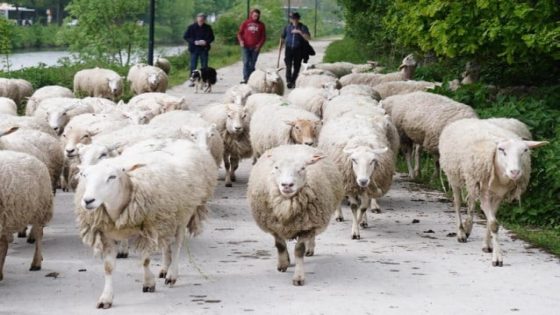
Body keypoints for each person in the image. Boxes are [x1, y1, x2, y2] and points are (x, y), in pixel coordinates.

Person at [183, 13, 215, 87]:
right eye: (199, 19)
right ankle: (192, 81)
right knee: (193, 66)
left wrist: (206, 42)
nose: (201, 20)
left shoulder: (208, 27)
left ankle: (204, 80)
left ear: (204, 20)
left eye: (202, 19)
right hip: (194, 49)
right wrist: (194, 41)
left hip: (204, 49)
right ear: (197, 19)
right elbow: (186, 36)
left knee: (204, 66)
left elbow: (212, 37)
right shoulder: (191, 27)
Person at [280, 12, 310, 89]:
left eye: (295, 18)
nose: (293, 20)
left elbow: (308, 38)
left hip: (299, 49)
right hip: (289, 48)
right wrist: (280, 46)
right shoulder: (287, 27)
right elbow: (282, 37)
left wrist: (300, 32)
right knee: (288, 65)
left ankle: (293, 81)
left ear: (298, 19)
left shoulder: (303, 27)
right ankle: (289, 81)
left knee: (297, 66)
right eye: (292, 18)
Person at [237, 8, 266, 84]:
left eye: (257, 15)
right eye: (254, 15)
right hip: (245, 46)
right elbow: (239, 33)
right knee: (246, 62)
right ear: (251, 15)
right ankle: (246, 78)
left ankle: (252, 78)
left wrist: (259, 45)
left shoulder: (261, 25)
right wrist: (241, 41)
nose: (255, 17)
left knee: (252, 63)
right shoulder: (246, 23)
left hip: (255, 47)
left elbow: (263, 37)